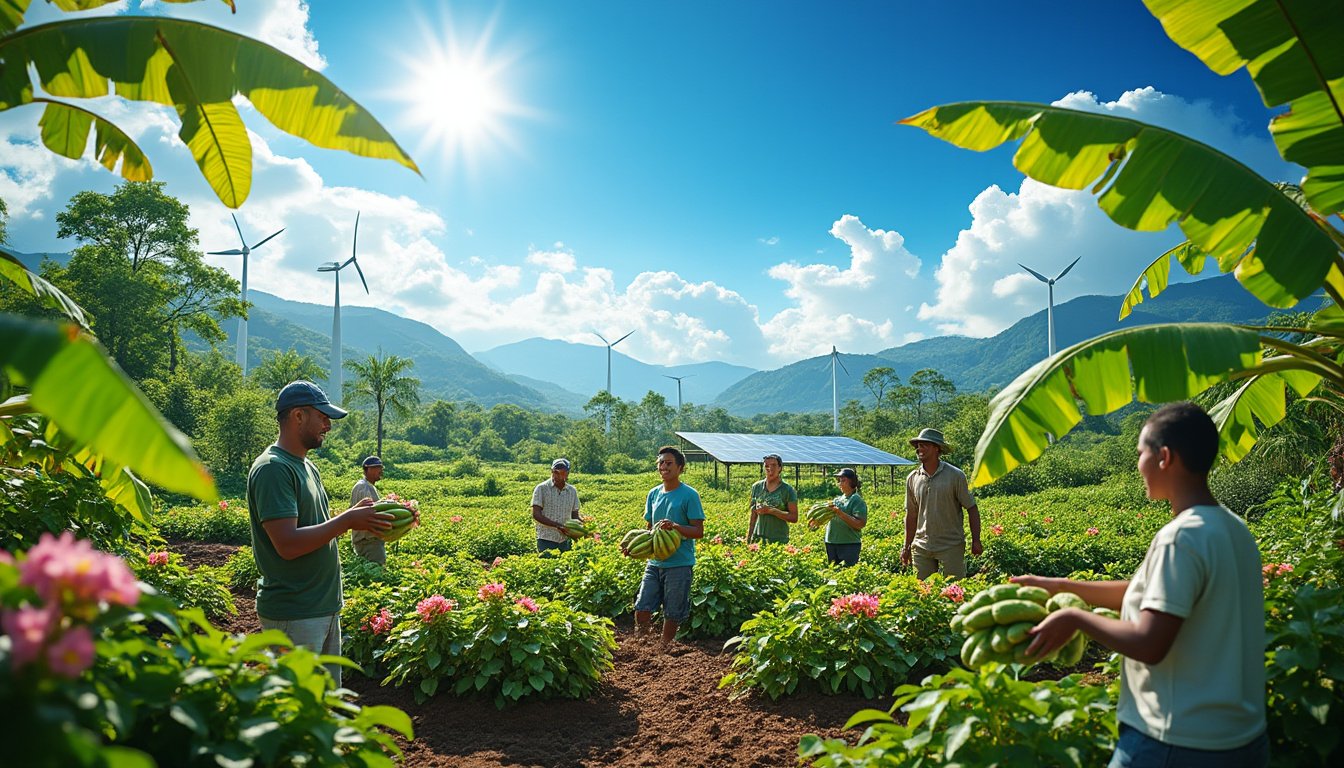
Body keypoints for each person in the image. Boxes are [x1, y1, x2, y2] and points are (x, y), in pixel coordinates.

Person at [1013, 402, 1267, 767]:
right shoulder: (1231, 528)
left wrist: (1075, 618)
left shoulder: (1181, 538)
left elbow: (1150, 643)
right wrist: (1057, 585)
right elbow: (1153, 595)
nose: (1138, 465)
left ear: (1164, 457)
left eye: (1141, 453)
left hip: (1175, 741)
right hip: (1240, 738)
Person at [246, 380, 397, 686]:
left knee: (323, 708)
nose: (328, 425)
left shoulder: (307, 467)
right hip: (295, 612)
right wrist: (348, 520)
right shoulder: (273, 469)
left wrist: (379, 518)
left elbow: (320, 530)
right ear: (298, 416)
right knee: (298, 713)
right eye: (323, 416)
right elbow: (287, 544)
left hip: (322, 606)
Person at [627, 445, 704, 646]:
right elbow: (649, 531)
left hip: (679, 563)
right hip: (655, 563)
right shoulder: (653, 494)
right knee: (642, 606)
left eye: (669, 463)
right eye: (661, 463)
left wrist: (676, 527)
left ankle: (664, 649)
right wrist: (632, 548)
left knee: (672, 611)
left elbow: (698, 531)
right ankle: (642, 645)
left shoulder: (689, 495)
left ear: (680, 467)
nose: (664, 466)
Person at [901, 428, 981, 579]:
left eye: (924, 445)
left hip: (951, 545)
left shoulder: (955, 475)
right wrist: (906, 547)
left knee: (954, 591)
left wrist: (976, 540)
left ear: (937, 448)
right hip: (921, 546)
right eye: (918, 445)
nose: (919, 449)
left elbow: (972, 508)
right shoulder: (913, 478)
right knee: (923, 593)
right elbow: (911, 514)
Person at [815, 467, 866, 566]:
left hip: (848, 544)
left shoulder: (856, 500)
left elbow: (860, 524)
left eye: (843, 481)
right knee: (833, 576)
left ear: (852, 482)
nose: (840, 483)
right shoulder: (837, 499)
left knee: (847, 575)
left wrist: (840, 513)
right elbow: (829, 517)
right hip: (831, 542)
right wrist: (818, 520)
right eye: (839, 481)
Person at [532, 458, 581, 554]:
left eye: (561, 473)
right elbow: (536, 514)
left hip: (565, 540)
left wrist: (585, 527)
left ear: (567, 474)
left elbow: (574, 516)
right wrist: (558, 526)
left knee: (565, 567)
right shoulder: (541, 488)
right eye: (555, 472)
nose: (556, 476)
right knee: (548, 567)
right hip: (546, 539)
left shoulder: (572, 491)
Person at [747, 453, 798, 544]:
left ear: (780, 468)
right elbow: (753, 515)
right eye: (766, 465)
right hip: (758, 539)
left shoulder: (788, 490)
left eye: (774, 465)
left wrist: (771, 511)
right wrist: (749, 539)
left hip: (778, 540)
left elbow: (794, 517)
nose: (770, 468)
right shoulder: (757, 487)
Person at [350, 456, 386, 565]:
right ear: (368, 469)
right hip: (368, 542)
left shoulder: (369, 486)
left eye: (381, 467)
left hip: (371, 541)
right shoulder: (362, 487)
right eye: (377, 467)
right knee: (376, 575)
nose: (381, 470)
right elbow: (367, 514)